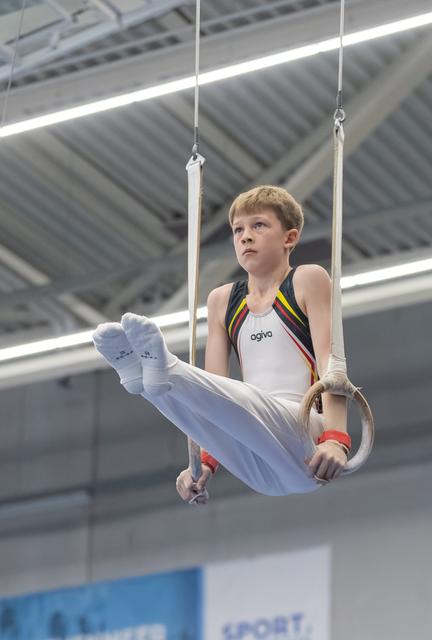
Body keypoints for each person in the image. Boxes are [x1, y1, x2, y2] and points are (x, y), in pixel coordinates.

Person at [93, 185, 350, 505]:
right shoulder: (222, 300)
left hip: (306, 442)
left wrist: (336, 440)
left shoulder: (307, 279)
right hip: (257, 461)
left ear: (290, 238)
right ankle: (143, 381)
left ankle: (168, 370)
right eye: (238, 229)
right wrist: (203, 463)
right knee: (202, 397)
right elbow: (214, 392)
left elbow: (330, 361)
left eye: (259, 225)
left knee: (249, 399)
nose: (245, 236)